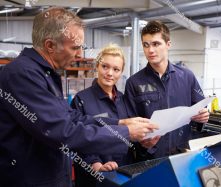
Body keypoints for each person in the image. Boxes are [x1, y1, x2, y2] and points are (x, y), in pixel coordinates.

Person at [0, 7, 157, 187]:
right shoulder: (22, 74)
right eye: (74, 47)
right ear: (50, 45)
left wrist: (120, 123)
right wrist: (127, 133)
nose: (79, 54)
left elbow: (73, 118)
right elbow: (63, 131)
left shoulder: (47, 74)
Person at [124, 20, 209, 161]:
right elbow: (130, 125)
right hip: (149, 158)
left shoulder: (187, 76)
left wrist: (203, 116)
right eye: (146, 45)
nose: (150, 50)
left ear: (168, 44)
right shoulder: (134, 83)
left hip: (183, 154)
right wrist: (142, 144)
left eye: (156, 44)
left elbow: (200, 109)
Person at [71, 43, 133, 186]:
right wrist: (96, 164)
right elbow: (77, 136)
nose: (110, 73)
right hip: (94, 176)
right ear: (97, 66)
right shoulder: (81, 99)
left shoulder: (123, 99)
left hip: (123, 173)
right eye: (105, 66)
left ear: (121, 72)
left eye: (116, 69)